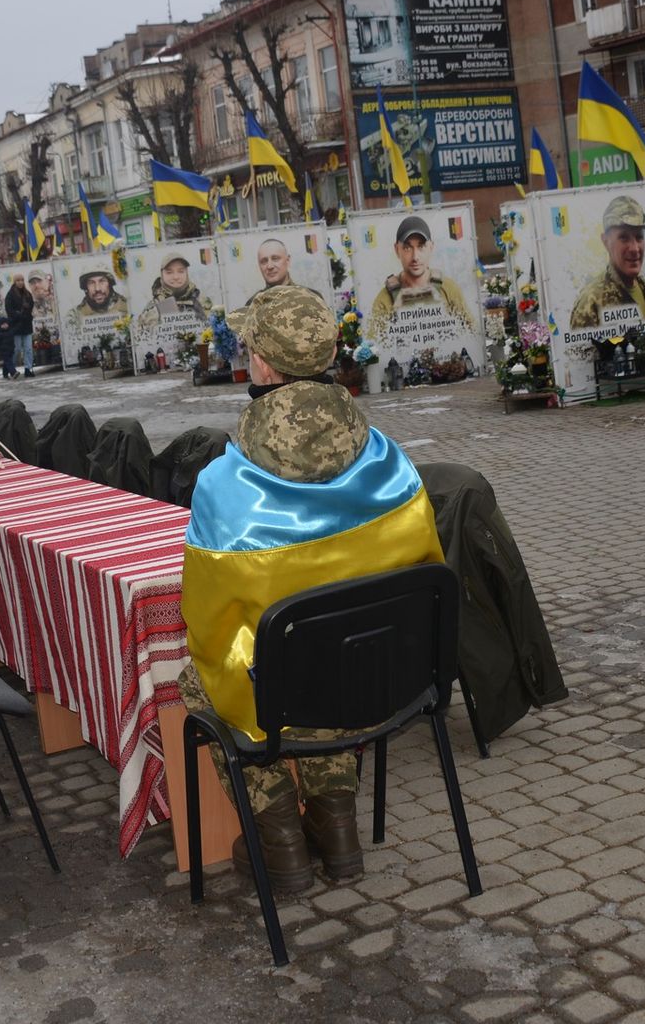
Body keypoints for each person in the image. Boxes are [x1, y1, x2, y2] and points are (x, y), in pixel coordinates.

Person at [180, 285, 445, 894]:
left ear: (266, 366)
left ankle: (282, 843)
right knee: (326, 658)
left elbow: (211, 626)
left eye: (250, 347)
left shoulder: (224, 484)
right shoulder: (391, 462)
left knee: (201, 677)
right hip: (384, 680)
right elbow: (423, 579)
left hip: (287, 697)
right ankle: (338, 828)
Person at [366, 215, 473, 341]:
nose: (415, 256)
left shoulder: (449, 289)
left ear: (431, 247)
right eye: (407, 248)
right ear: (397, 249)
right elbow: (374, 347)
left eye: (421, 247)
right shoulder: (385, 299)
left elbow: (472, 333)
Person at [572, 196, 645, 324]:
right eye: (624, 238)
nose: (634, 249)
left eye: (639, 237)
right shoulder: (591, 302)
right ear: (605, 241)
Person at [4, 274, 35, 379]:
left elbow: (31, 305)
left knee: (28, 349)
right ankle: (9, 368)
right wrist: (18, 315)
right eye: (18, 280)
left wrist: (26, 313)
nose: (20, 282)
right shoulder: (10, 295)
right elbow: (9, 309)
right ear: (14, 282)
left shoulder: (27, 294)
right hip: (16, 327)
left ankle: (28, 369)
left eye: (22, 280)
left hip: (26, 325)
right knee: (16, 349)